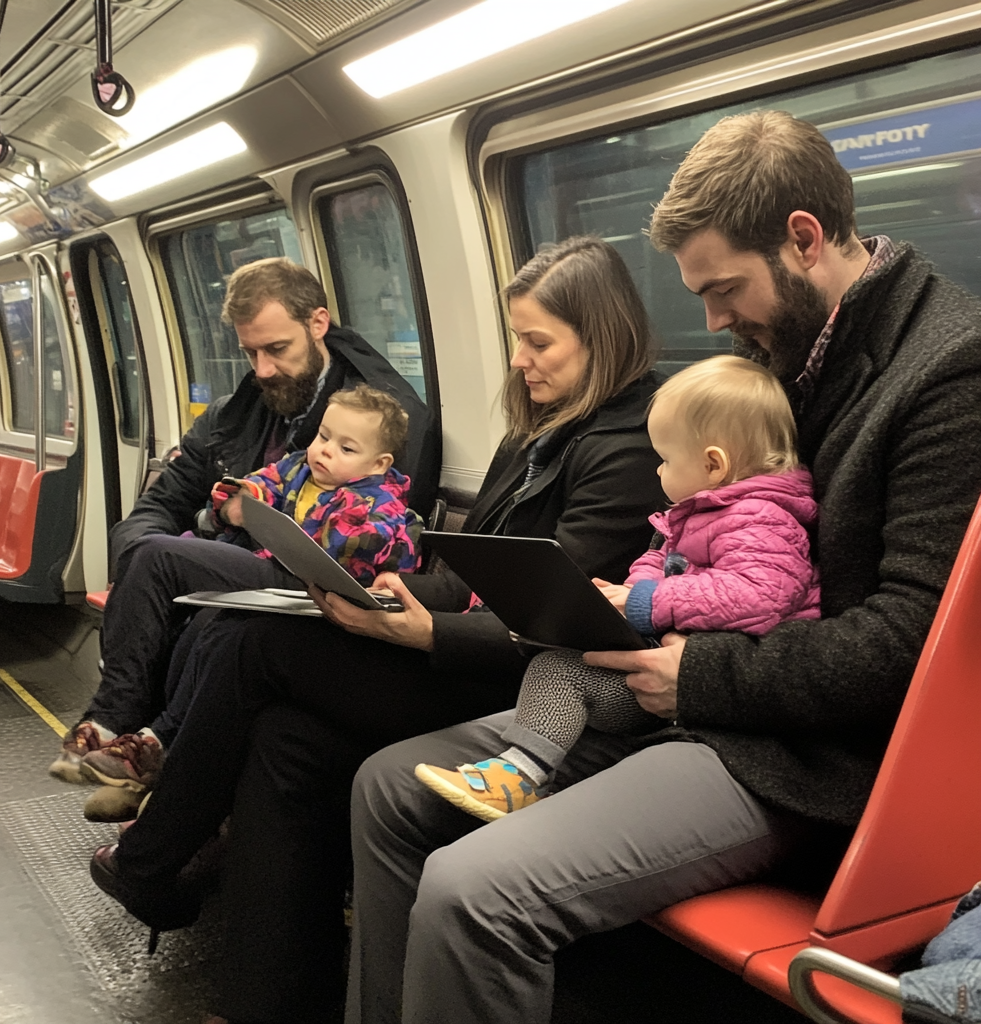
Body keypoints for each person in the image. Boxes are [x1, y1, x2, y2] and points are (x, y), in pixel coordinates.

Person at [345, 109, 981, 1024]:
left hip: (799, 752)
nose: (714, 319)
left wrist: (695, 675)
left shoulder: (948, 371)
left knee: (472, 888)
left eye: (724, 289)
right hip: (686, 695)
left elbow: (905, 646)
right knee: (390, 789)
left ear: (803, 239)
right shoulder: (776, 348)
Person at [87, 236, 666, 1024]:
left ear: (601, 337)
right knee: (284, 738)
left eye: (538, 342)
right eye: (516, 341)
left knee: (258, 646)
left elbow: (556, 612)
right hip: (465, 646)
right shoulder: (536, 434)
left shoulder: (630, 444)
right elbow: (473, 571)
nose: (521, 361)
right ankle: (268, 1001)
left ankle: (152, 859)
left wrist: (424, 633)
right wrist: (396, 590)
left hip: (531, 685)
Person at [49, 257, 439, 788]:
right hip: (233, 564)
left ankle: (120, 733)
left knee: (200, 611)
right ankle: (133, 763)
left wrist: (193, 548)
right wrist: (154, 556)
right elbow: (160, 504)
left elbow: (377, 532)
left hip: (307, 589)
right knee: (151, 559)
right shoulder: (235, 413)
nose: (262, 369)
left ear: (317, 324)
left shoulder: (377, 418)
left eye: (277, 349)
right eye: (250, 352)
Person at [415, 354, 820, 821]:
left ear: (714, 464)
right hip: (678, 667)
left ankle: (520, 778)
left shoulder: (762, 520)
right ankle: (518, 771)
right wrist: (627, 596)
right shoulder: (699, 513)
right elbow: (656, 560)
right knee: (557, 663)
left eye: (665, 459)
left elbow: (759, 598)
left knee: (561, 674)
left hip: (720, 695)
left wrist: (646, 604)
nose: (657, 472)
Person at [76, 384, 423, 794]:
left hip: (308, 591)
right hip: (270, 571)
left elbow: (358, 550)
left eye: (346, 449)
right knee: (200, 622)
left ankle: (116, 716)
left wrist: (272, 523)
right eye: (323, 437)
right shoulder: (299, 469)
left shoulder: (380, 503)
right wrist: (241, 499)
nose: (325, 451)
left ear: (379, 463)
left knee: (156, 556)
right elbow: (260, 485)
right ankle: (154, 749)